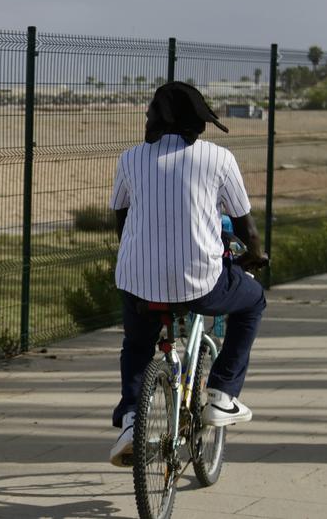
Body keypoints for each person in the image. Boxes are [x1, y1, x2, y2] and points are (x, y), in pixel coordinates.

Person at [108, 82, 268, 467]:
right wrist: (256, 258)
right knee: (253, 301)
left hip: (138, 283)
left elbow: (120, 216)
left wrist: (139, 254)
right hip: (202, 285)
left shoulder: (130, 159)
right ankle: (222, 396)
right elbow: (246, 230)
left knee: (136, 344)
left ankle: (132, 420)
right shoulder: (219, 159)